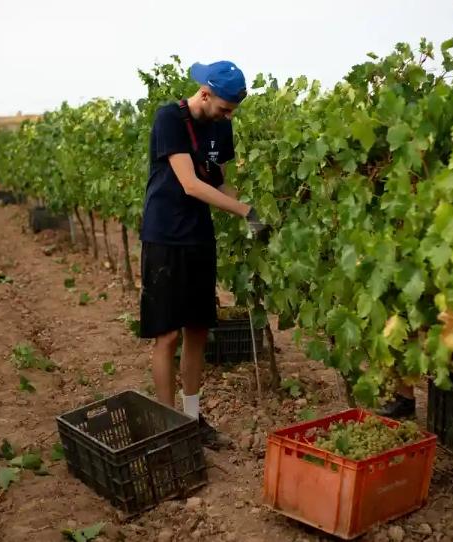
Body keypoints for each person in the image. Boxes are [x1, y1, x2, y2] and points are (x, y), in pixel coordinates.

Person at [139, 60, 266, 449]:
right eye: (224, 108)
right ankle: (167, 427)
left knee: (197, 329)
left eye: (232, 112)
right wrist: (245, 211)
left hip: (198, 237)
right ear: (205, 94)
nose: (228, 117)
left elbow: (219, 182)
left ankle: (191, 419)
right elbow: (191, 184)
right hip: (164, 237)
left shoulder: (221, 127)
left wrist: (254, 215)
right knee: (167, 335)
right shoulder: (169, 120)